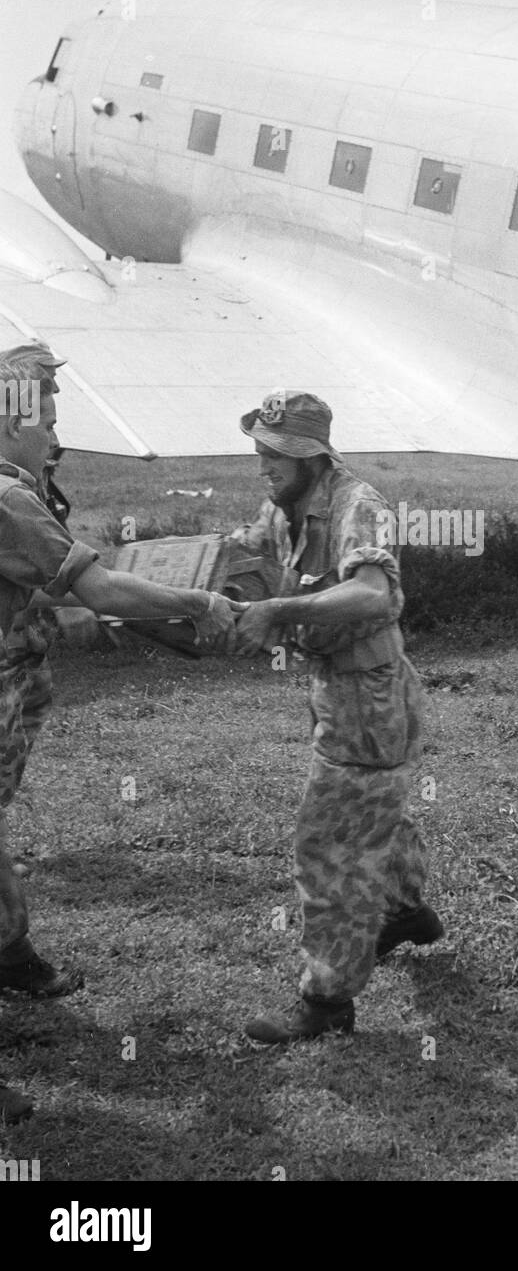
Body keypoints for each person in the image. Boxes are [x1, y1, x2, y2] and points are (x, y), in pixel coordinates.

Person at [0, 343, 239, 1019]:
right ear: (15, 423)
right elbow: (101, 586)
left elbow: (39, 586)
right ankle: (11, 955)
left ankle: (11, 954)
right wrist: (196, 602)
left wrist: (77, 602)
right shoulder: (10, 498)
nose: (53, 435)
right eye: (46, 421)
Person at [234, 390, 442, 1042]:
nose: (266, 462)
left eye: (279, 453)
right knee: (378, 813)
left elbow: (373, 590)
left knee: (328, 847)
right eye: (262, 449)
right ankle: (407, 914)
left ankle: (326, 1003)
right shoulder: (288, 508)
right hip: (341, 692)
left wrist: (282, 613)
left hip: (369, 697)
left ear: (314, 456)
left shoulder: (359, 504)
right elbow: (241, 559)